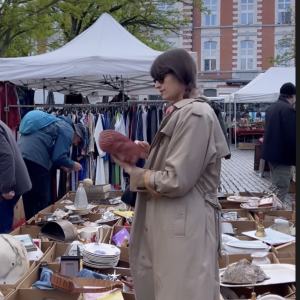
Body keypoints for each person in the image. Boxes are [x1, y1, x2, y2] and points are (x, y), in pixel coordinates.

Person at [112, 49, 230, 300]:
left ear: (181, 75)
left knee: (181, 290)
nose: (156, 84)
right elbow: (184, 167)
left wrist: (136, 172)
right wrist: (150, 155)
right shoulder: (182, 112)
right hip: (178, 223)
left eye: (161, 77)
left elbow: (177, 179)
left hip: (185, 226)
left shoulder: (195, 114)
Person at [18, 113, 86, 220]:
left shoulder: (57, 124)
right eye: (78, 141)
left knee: (29, 195)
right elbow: (59, 156)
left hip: (21, 154)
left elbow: (51, 152)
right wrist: (73, 164)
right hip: (36, 158)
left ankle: (29, 227)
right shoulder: (68, 130)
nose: (76, 144)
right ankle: (39, 229)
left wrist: (63, 167)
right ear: (77, 134)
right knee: (41, 198)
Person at [261, 82, 296, 203]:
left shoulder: (272, 107)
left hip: (271, 153)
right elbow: (292, 135)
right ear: (291, 96)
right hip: (282, 155)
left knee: (275, 186)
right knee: (280, 186)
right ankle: (270, 215)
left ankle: (266, 210)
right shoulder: (287, 109)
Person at [0, 120, 32, 233]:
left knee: (2, 231)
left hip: (8, 188)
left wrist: (6, 188)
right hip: (9, 183)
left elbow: (5, 157)